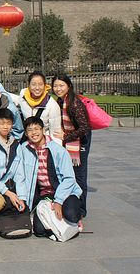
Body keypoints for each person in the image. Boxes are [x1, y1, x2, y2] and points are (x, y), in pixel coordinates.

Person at [15, 117, 83, 237]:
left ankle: (74, 219)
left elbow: (69, 179)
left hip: (65, 192)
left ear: (43, 130)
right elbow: (20, 176)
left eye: (37, 129)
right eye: (30, 130)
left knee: (71, 215)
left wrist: (58, 201)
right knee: (39, 231)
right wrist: (23, 199)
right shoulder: (24, 149)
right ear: (25, 133)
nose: (34, 133)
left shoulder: (58, 150)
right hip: (44, 194)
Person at [52, 73, 92, 218]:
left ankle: (81, 210)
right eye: (55, 86)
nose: (58, 88)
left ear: (69, 86)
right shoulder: (60, 101)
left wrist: (66, 136)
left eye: (61, 85)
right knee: (69, 172)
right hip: (70, 140)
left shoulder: (74, 104)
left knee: (79, 175)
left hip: (80, 141)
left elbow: (84, 128)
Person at [10, 71, 62, 139]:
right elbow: (14, 99)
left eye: (40, 84)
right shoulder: (23, 94)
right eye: (33, 84)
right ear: (29, 85)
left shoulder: (52, 106)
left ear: (45, 85)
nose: (37, 88)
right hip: (27, 138)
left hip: (42, 141)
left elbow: (55, 134)